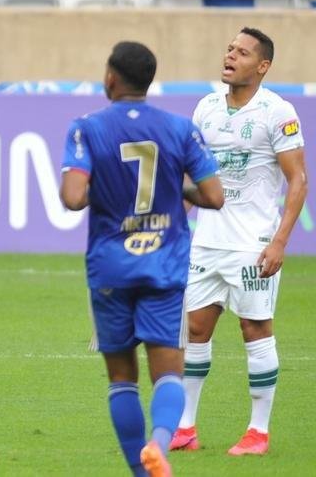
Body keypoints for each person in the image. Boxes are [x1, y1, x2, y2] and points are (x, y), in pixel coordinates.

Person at [59, 41, 224, 477]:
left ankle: (140, 470)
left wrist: (110, 192)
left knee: (121, 379)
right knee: (168, 371)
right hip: (164, 266)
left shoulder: (86, 127)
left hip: (110, 268)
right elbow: (213, 196)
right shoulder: (179, 128)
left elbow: (73, 197)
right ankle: (161, 445)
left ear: (110, 78)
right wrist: (173, 191)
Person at [171, 28, 308, 456]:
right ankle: (186, 427)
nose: (230, 56)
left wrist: (280, 241)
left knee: (254, 328)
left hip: (253, 243)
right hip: (207, 242)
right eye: (230, 48)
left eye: (242, 52)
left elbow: (298, 179)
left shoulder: (277, 112)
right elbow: (192, 178)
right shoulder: (206, 108)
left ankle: (258, 432)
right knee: (195, 329)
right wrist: (175, 225)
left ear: (262, 66)